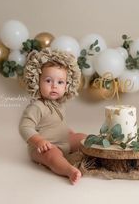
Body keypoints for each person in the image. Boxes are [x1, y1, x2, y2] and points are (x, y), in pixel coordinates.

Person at [19, 48, 86, 185]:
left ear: (67, 85)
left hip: (63, 140)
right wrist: (38, 141)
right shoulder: (37, 106)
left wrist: (69, 132)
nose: (54, 86)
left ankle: (99, 154)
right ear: (37, 81)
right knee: (53, 156)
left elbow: (56, 124)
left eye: (60, 82)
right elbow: (25, 127)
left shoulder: (59, 105)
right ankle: (69, 170)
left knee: (83, 138)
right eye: (48, 81)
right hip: (44, 147)